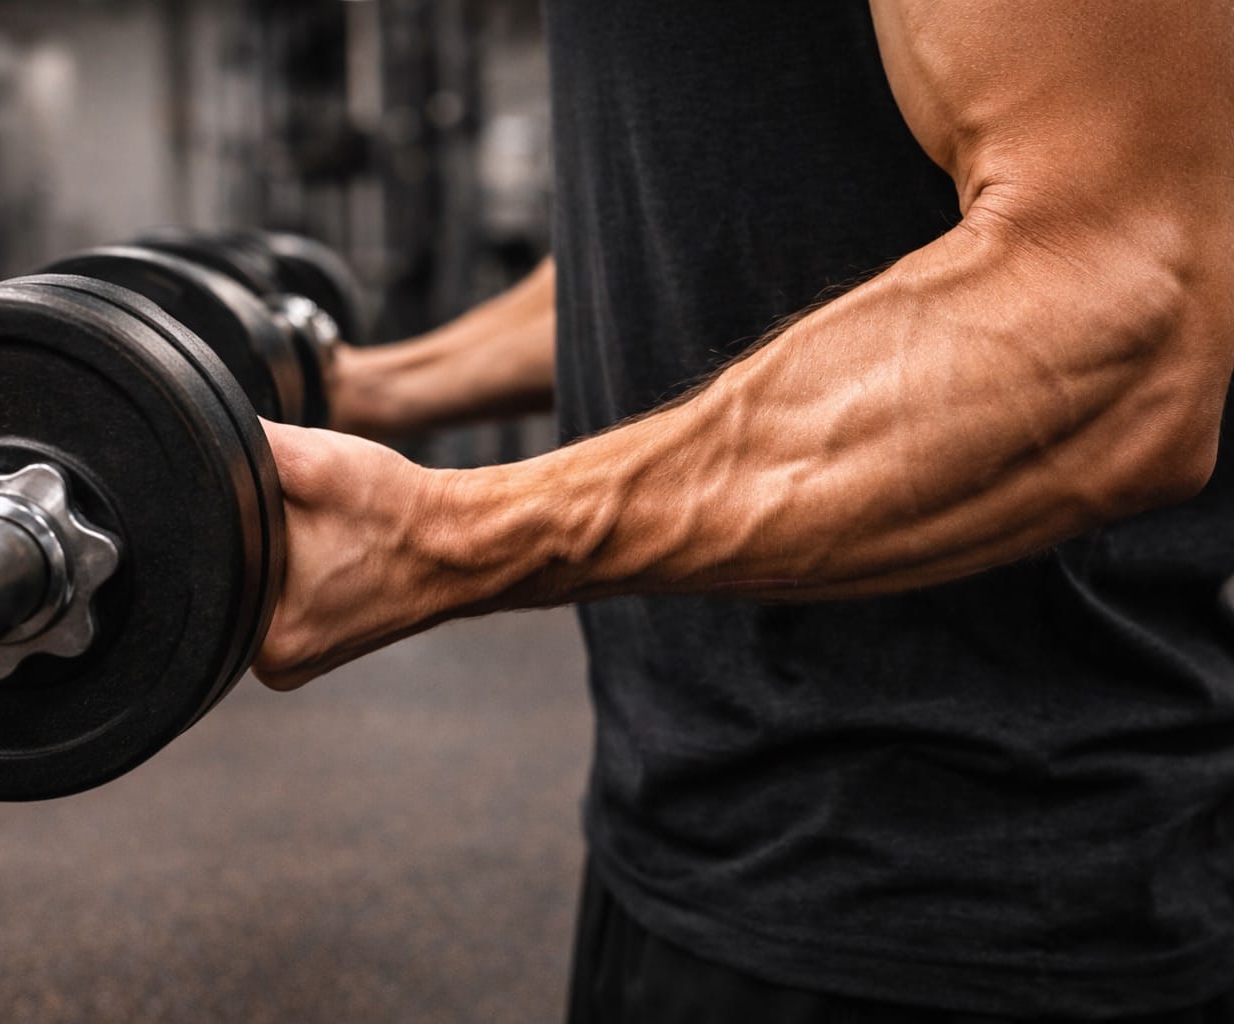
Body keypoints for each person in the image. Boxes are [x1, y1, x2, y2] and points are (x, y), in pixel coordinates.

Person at [256, 2, 1234, 1020]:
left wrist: (449, 536)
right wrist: (365, 387)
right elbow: (684, 227)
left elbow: (1122, 299)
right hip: (675, 838)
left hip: (974, 900)